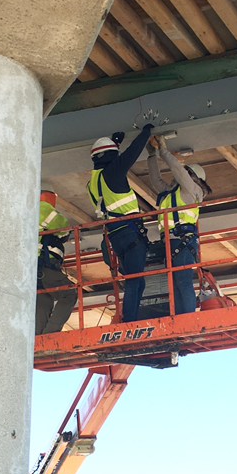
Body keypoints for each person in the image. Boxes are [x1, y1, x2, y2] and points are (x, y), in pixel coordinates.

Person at [87, 126, 154, 322]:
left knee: (137, 281)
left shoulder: (92, 183)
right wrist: (146, 132)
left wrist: (114, 144)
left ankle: (132, 316)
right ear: (110, 156)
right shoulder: (113, 173)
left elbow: (108, 161)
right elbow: (131, 154)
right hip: (130, 233)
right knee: (135, 281)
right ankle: (130, 320)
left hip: (115, 236)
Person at [146, 136, 212, 315]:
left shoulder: (191, 190)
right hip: (171, 243)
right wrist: (152, 156)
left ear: (192, 176)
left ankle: (187, 317)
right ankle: (179, 317)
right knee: (174, 285)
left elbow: (177, 169)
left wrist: (163, 150)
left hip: (182, 242)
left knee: (182, 282)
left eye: (184, 172)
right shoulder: (173, 192)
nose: (177, 175)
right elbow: (155, 180)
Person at [36, 181, 77, 335]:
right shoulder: (42, 207)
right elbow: (63, 230)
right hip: (45, 266)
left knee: (44, 303)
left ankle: (38, 342)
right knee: (68, 295)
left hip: (32, 271)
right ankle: (50, 335)